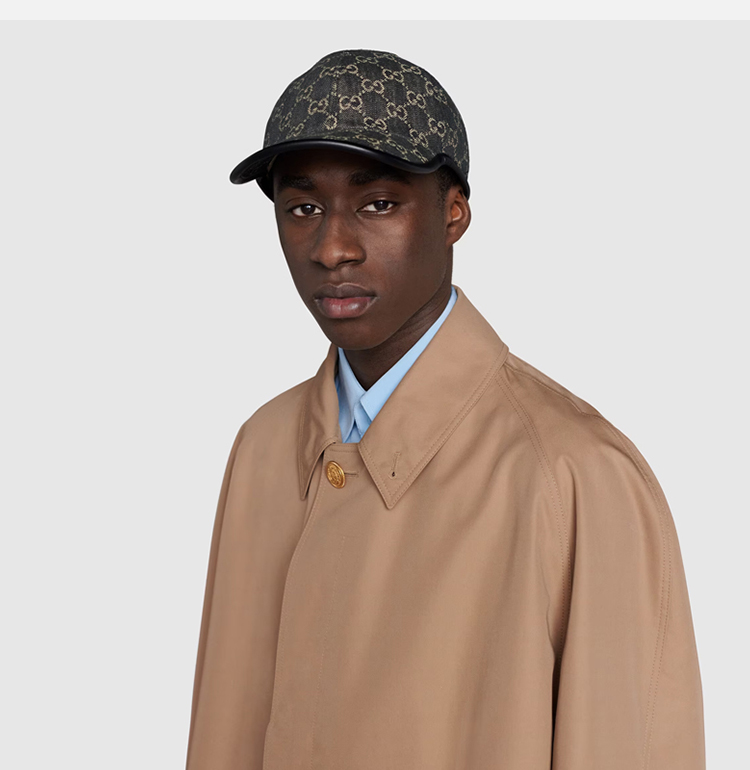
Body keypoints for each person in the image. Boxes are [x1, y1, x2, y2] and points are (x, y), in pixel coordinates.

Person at [185, 49, 705, 770]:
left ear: (453, 211)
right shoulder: (264, 447)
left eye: (378, 204)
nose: (332, 248)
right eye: (303, 208)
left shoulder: (574, 474)